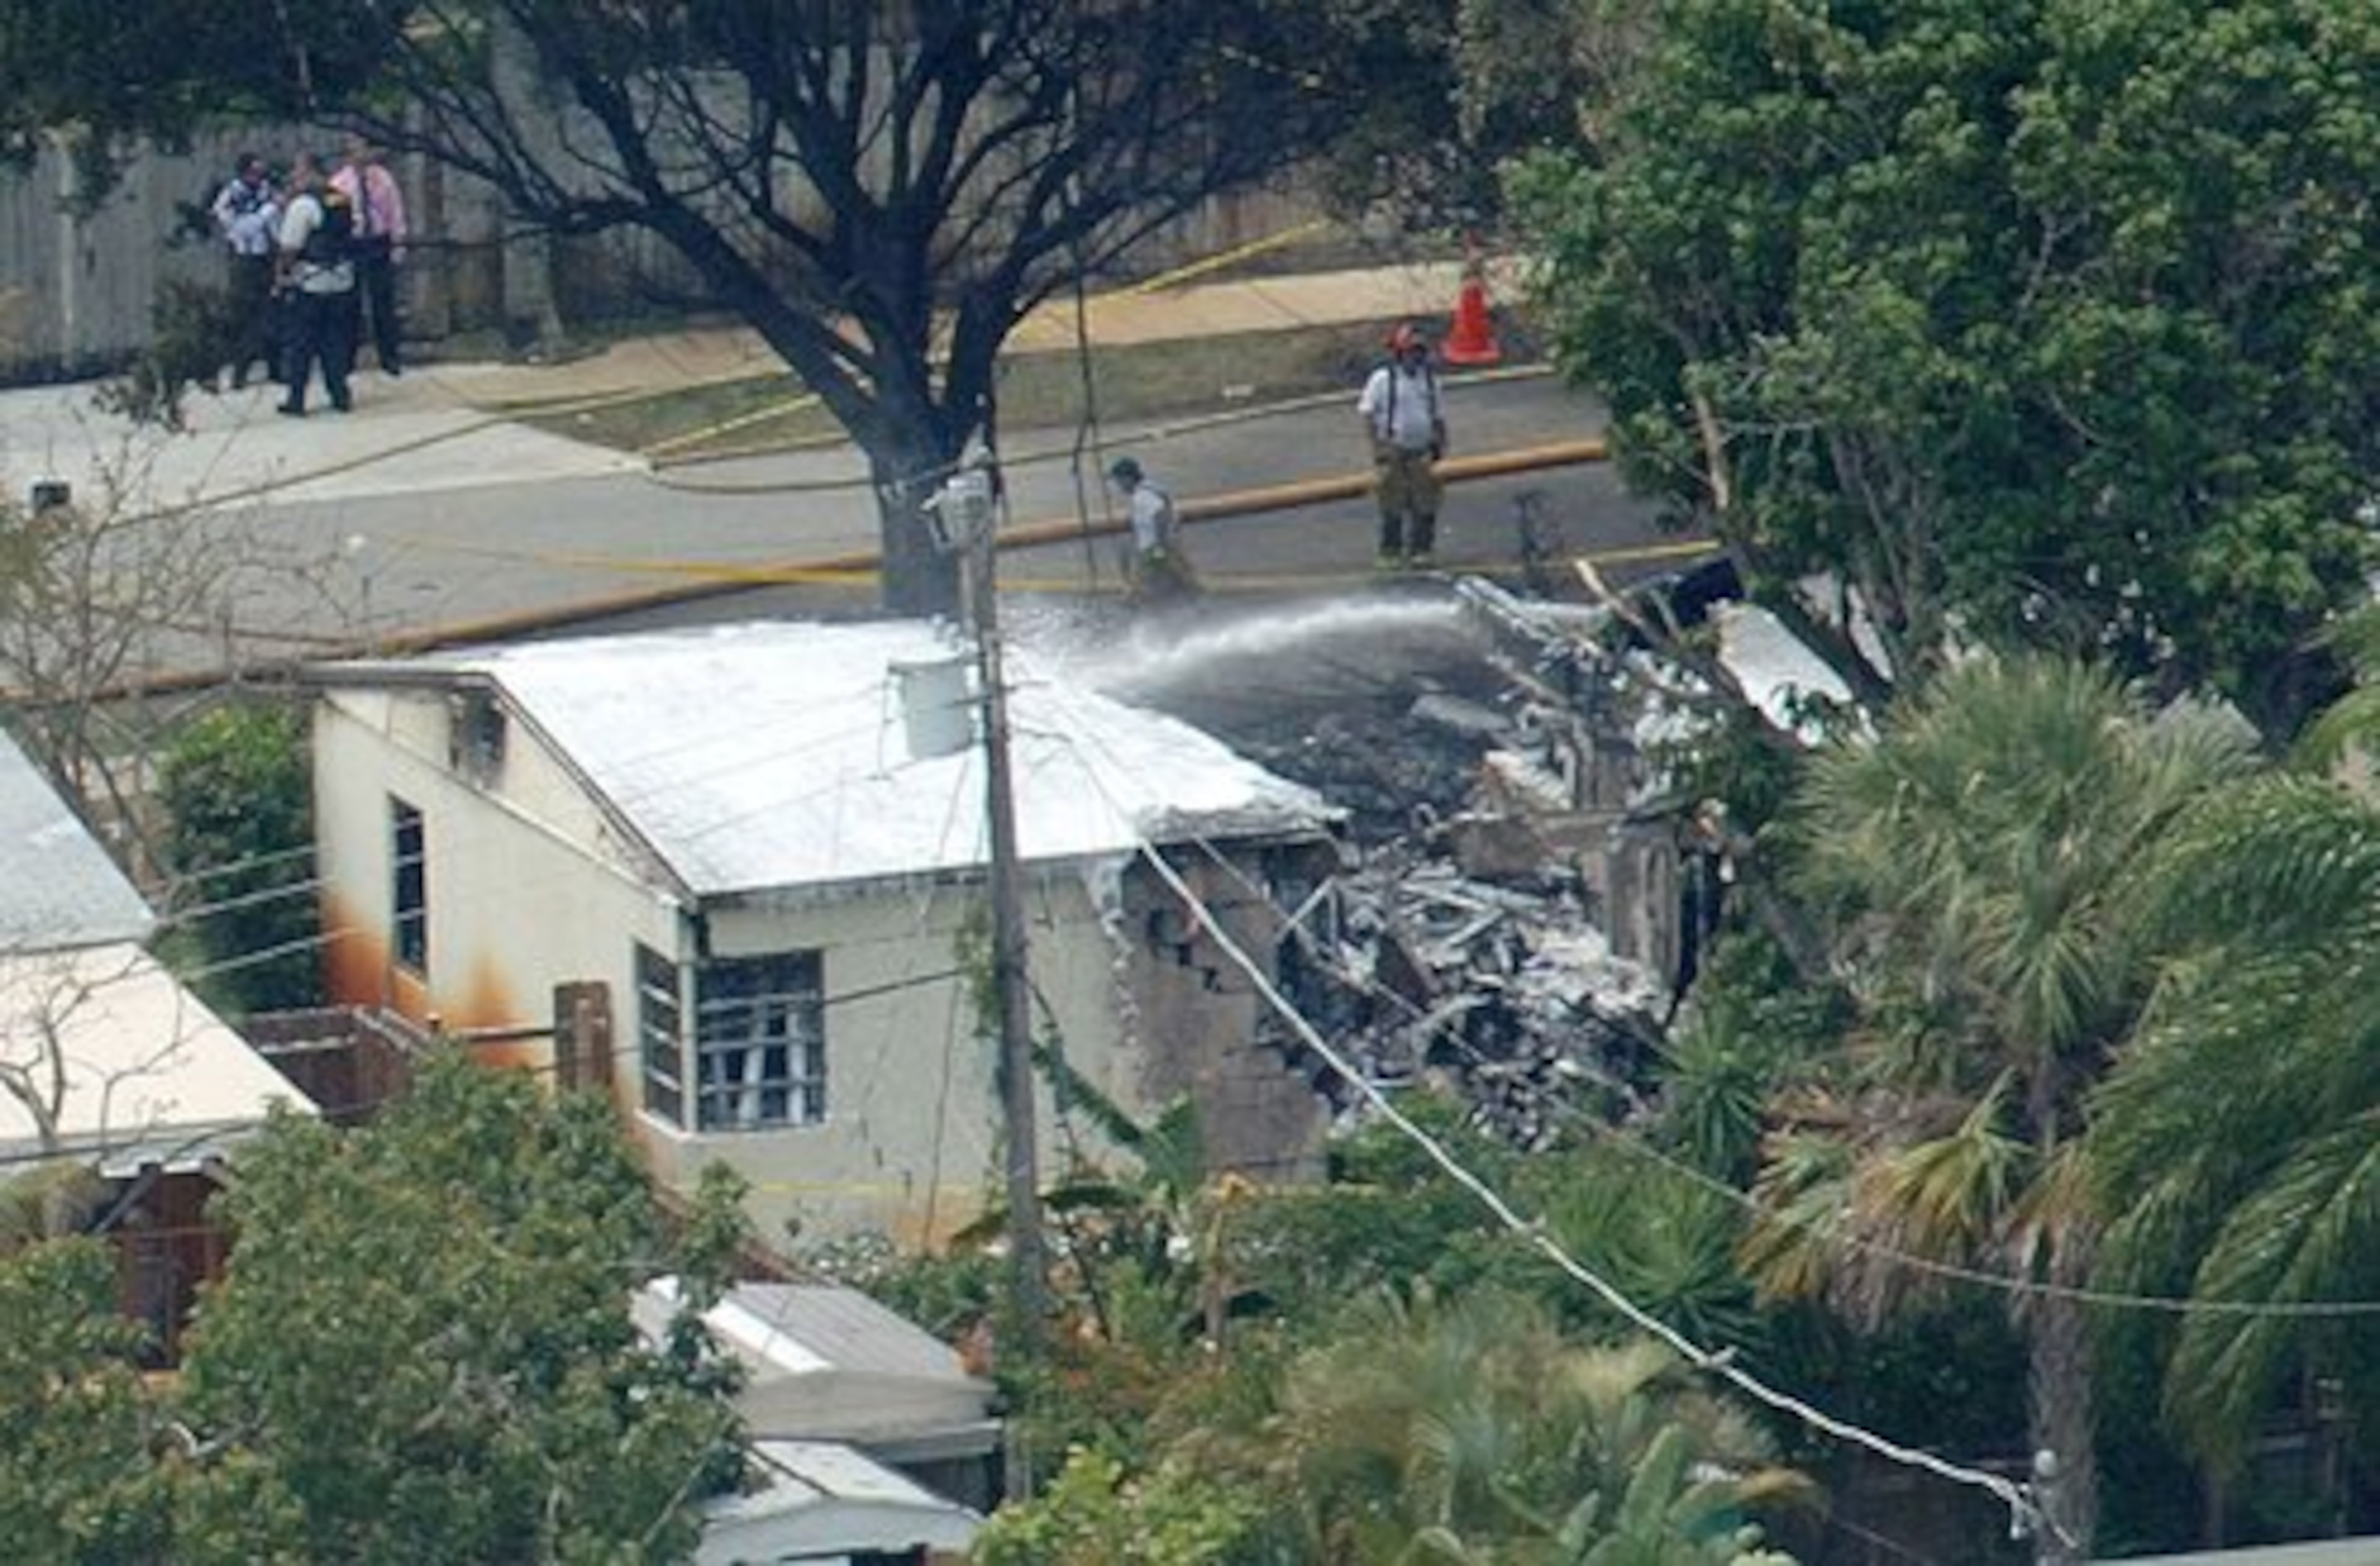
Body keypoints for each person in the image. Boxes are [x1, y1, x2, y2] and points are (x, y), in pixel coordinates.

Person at [1355, 321, 1448, 569]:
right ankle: (1390, 551)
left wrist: (1441, 448)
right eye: (1411, 352)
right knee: (1392, 502)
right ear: (1399, 353)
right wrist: (1378, 448)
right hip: (1394, 450)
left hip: (1423, 451)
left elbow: (1438, 417)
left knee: (1426, 502)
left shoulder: (1431, 381)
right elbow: (1367, 414)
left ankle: (1422, 550)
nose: (1416, 357)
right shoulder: (1382, 380)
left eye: (1420, 352)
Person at [274, 153, 358, 416]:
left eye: (298, 173)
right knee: (335, 341)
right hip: (343, 279)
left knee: (302, 343)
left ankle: (297, 399)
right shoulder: (342, 199)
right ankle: (340, 395)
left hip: (311, 281)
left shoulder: (303, 205)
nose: (294, 178)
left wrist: (281, 277)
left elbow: (290, 246)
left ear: (310, 172)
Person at [331, 135, 408, 376]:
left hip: (378, 241)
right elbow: (334, 218)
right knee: (349, 304)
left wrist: (398, 242)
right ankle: (347, 358)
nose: (360, 155)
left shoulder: (383, 178)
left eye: (363, 149)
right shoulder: (339, 183)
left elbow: (395, 211)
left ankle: (389, 356)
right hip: (353, 244)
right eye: (354, 150)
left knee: (383, 301)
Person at [208, 152, 281, 390]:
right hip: (244, 260)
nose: (259, 177)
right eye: (254, 172)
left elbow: (276, 226)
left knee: (272, 312)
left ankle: (276, 367)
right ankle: (241, 370)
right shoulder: (230, 196)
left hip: (267, 257)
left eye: (261, 172)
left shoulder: (267, 191)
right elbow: (241, 227)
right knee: (245, 316)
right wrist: (267, 212)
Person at [1108, 456, 1199, 604]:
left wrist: (1159, 547)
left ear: (1127, 478)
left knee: (1146, 592)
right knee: (1179, 586)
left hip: (1155, 551)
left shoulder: (1142, 496)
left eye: (1118, 481)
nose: (1119, 486)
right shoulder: (1149, 490)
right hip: (1163, 549)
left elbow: (1161, 514)